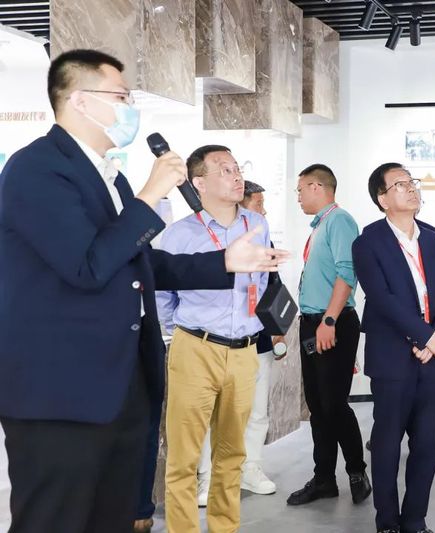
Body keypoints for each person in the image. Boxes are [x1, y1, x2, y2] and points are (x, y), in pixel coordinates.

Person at [0, 49, 287, 533]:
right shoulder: (37, 169)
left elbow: (138, 263)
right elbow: (88, 266)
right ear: (80, 100)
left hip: (120, 381)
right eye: (121, 96)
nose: (130, 107)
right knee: (56, 518)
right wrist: (150, 195)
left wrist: (224, 262)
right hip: (62, 390)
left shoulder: (107, 176)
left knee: (112, 515)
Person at [157, 145, 276, 533]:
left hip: (243, 351)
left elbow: (262, 281)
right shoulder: (179, 234)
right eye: (224, 169)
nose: (236, 175)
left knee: (232, 454)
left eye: (237, 167)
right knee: (185, 457)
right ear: (199, 183)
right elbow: (162, 294)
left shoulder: (256, 226)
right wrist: (188, 331)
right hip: (196, 348)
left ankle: (225, 527)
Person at [353, 162, 435, 533]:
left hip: (433, 359)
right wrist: (425, 336)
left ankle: (415, 520)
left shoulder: (432, 237)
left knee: (427, 445)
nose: (411, 188)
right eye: (400, 184)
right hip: (393, 358)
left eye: (412, 182)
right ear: (382, 199)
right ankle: (387, 522)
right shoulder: (367, 243)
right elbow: (382, 299)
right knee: (387, 444)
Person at [193, 179, 284, 507]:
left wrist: (278, 327)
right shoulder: (205, 236)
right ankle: (208, 478)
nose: (264, 211)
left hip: (257, 339)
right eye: (259, 203)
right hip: (214, 342)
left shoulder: (262, 236)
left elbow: (273, 282)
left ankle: (251, 468)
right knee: (212, 415)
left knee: (257, 411)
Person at [288, 164, 371, 507]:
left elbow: (347, 274)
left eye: (300, 190)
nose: (298, 197)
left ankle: (356, 471)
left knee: (333, 403)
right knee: (318, 406)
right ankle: (324, 479)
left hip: (332, 322)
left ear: (316, 186)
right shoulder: (321, 224)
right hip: (313, 323)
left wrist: (330, 320)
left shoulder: (339, 220)